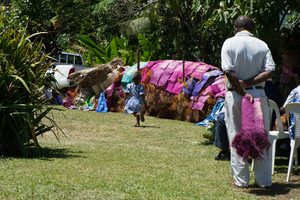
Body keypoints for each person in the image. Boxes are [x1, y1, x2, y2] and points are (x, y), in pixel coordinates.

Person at [221, 16, 275, 188]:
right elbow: (270, 72)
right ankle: (264, 181)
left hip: (235, 95)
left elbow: (228, 71)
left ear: (235, 28)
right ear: (252, 29)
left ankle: (241, 181)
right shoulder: (262, 44)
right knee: (261, 137)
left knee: (236, 135)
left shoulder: (229, 43)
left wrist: (242, 89)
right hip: (258, 95)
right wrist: (249, 84)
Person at [214, 79, 283, 161]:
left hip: (248, 122)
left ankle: (224, 151)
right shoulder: (271, 86)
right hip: (268, 121)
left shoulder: (243, 86)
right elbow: (280, 105)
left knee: (221, 118)